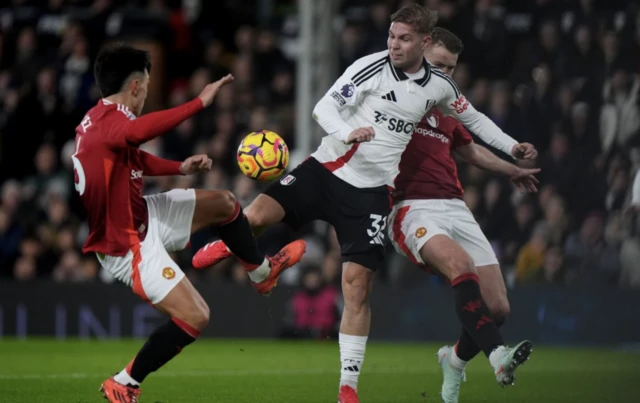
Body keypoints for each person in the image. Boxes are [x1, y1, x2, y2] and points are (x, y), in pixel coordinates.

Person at [192, 5, 536, 402]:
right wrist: (348, 131)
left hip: (371, 195)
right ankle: (254, 263)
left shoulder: (438, 87)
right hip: (325, 169)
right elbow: (324, 107)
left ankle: (347, 389)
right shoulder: (371, 66)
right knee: (253, 216)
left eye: (404, 38)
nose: (394, 44)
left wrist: (513, 147)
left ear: (424, 43)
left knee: (356, 289)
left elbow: (474, 120)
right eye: (391, 35)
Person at [72, 44, 306, 403]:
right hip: (127, 244)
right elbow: (136, 134)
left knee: (226, 203)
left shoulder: (97, 121)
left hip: (143, 215)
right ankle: (125, 381)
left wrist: (178, 168)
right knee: (195, 316)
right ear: (134, 86)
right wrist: (198, 103)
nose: (147, 94)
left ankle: (261, 273)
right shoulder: (113, 124)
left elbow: (131, 157)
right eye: (147, 86)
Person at [388, 28, 538, 403]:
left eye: (451, 69)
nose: (445, 76)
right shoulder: (391, 93)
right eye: (439, 65)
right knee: (460, 264)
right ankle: (497, 356)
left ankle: (453, 361)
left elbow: (471, 152)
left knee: (498, 307)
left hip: (455, 205)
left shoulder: (447, 104)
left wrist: (511, 168)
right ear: (420, 55)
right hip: (411, 207)